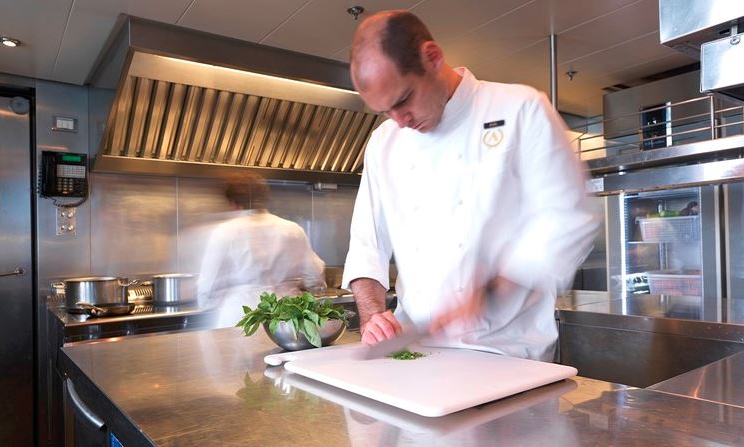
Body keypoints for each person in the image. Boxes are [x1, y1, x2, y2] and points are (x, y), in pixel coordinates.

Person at [341, 10, 599, 361]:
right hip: (416, 353)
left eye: (403, 100)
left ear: (432, 58)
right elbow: (366, 245)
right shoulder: (384, 142)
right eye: (385, 111)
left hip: (508, 354)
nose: (399, 121)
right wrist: (374, 318)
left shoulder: (521, 109)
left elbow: (568, 217)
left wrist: (496, 289)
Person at [197, 172, 326, 328]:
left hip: (241, 318)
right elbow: (315, 277)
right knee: (284, 345)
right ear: (264, 198)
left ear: (233, 202)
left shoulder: (225, 232)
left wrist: (211, 305)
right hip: (287, 318)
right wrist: (299, 288)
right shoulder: (293, 229)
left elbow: (207, 288)